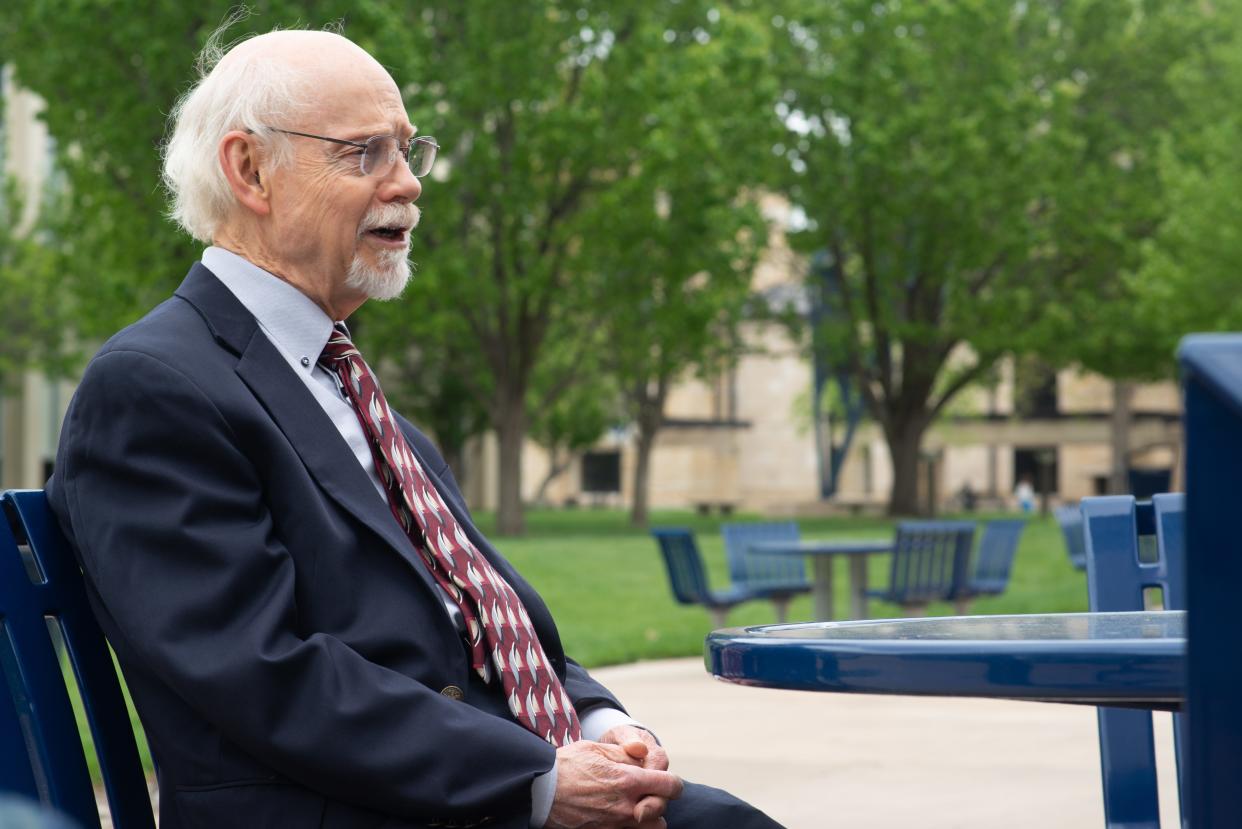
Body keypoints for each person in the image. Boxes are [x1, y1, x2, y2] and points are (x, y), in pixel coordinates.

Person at [47, 27, 781, 829]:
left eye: (407, 150)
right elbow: (261, 671)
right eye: (365, 153)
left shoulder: (359, 399)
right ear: (250, 170)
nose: (408, 184)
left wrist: (607, 728)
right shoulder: (154, 387)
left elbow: (487, 625)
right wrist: (537, 779)